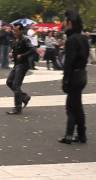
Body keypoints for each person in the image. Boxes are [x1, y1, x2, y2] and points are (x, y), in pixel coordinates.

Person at [58, 10, 89, 144]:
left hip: (74, 76)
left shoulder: (71, 40)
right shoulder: (83, 38)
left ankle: (69, 135)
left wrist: (65, 80)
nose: (63, 23)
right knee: (77, 106)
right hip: (82, 75)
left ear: (69, 23)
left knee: (71, 106)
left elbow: (69, 62)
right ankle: (81, 135)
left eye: (65, 20)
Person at [6, 23, 34, 115]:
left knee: (16, 85)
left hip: (23, 65)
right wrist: (12, 54)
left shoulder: (25, 39)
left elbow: (32, 50)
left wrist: (22, 55)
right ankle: (24, 97)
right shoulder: (15, 40)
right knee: (9, 82)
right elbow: (14, 50)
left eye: (16, 30)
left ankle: (17, 108)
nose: (15, 32)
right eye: (14, 30)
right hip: (17, 64)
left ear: (21, 31)